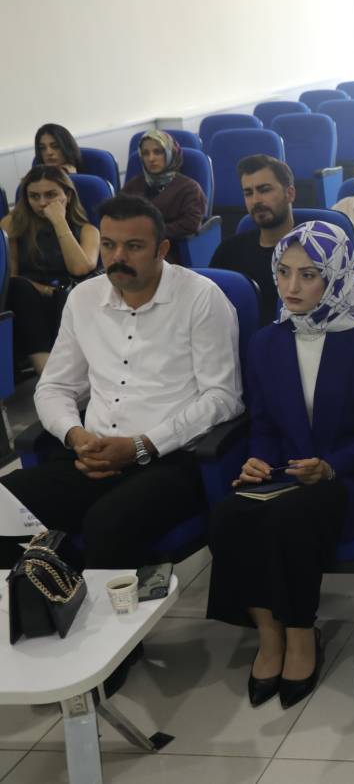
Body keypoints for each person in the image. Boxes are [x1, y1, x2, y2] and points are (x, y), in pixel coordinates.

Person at [209, 221, 354, 710]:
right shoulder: (265, 343)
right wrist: (257, 460)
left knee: (290, 517)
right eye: (284, 272)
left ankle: (299, 633)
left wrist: (330, 466)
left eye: (309, 275)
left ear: (335, 277)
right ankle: (268, 634)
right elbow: (265, 424)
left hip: (348, 476)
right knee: (230, 514)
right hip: (286, 472)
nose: (291, 287)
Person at [0, 194, 242, 567]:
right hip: (91, 454)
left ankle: (97, 604)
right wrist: (75, 436)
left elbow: (222, 397)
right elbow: (55, 387)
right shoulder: (84, 298)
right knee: (6, 504)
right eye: (109, 245)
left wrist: (141, 445)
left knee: (107, 524)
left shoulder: (201, 298)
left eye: (134, 247)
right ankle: (37, 599)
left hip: (169, 459)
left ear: (162, 249)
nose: (118, 257)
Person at [1, 166, 100, 374]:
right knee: (19, 288)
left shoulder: (88, 230)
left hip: (71, 300)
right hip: (28, 301)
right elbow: (9, 277)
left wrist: (59, 222)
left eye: (51, 195)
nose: (42, 203)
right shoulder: (12, 225)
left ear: (68, 195)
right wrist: (44, 290)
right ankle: (46, 374)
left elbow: (80, 268)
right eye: (34, 196)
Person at [210, 154, 297, 324]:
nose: (256, 200)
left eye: (264, 190)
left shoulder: (313, 249)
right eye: (248, 193)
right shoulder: (228, 251)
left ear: (290, 194)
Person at [122, 129, 207, 264]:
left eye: (158, 152)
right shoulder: (133, 185)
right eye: (145, 153)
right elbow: (117, 215)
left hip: (170, 252)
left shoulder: (189, 188)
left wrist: (151, 233)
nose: (151, 158)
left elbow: (191, 223)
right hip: (130, 249)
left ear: (170, 153)